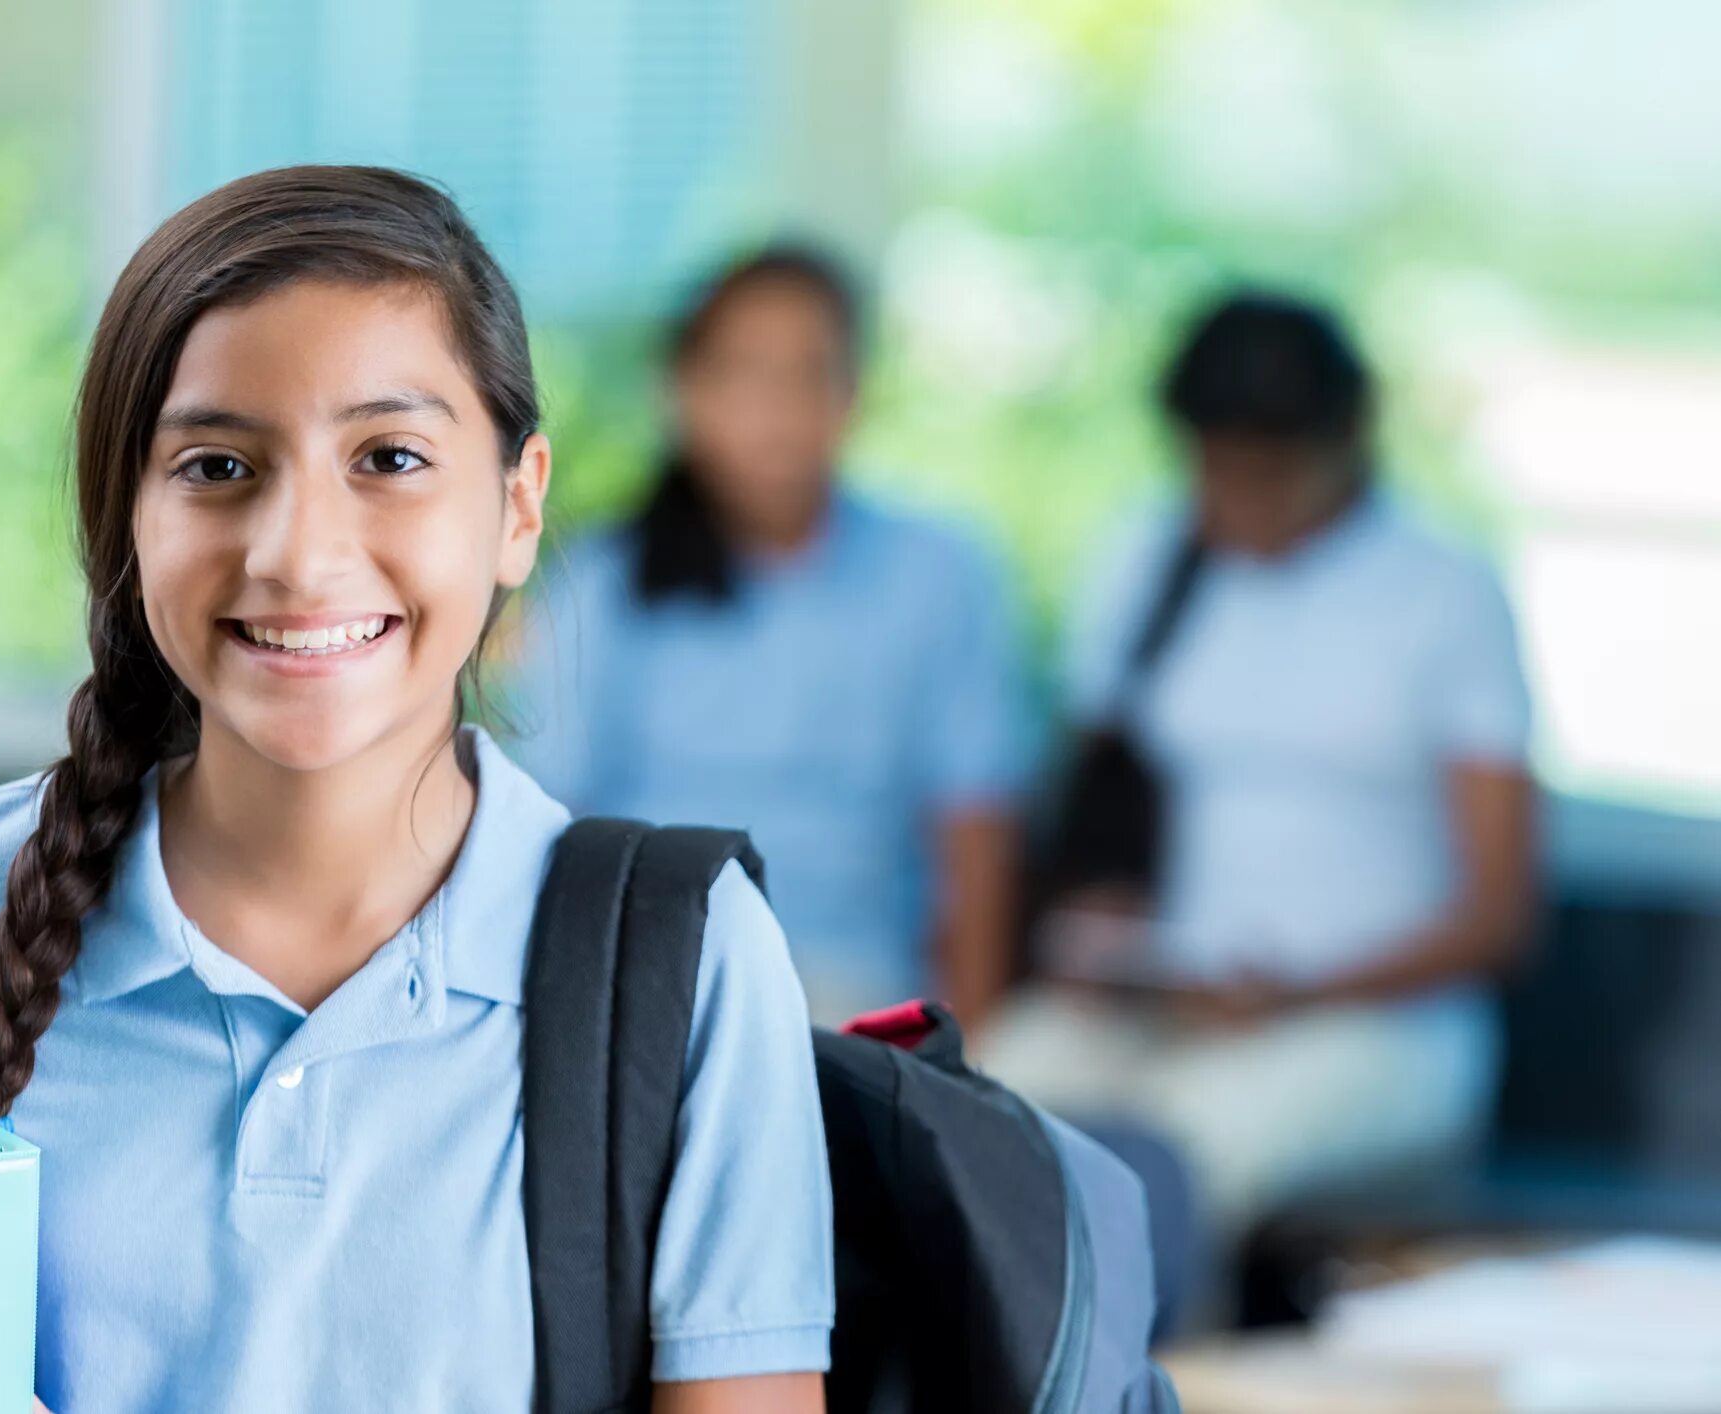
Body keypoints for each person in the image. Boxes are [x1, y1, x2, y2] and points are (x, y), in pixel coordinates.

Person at [0, 167, 833, 1413]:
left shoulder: (683, 968)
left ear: (518, 505)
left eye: (389, 455)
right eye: (216, 467)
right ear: (128, 520)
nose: (297, 554)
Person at [979, 289, 1536, 1236]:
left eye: (1271, 473)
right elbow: (1090, 802)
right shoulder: (1145, 556)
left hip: (1369, 1029)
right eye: (1217, 471)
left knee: (1176, 1155)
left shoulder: (1441, 589)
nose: (1242, 503)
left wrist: (1297, 992)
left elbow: (1497, 916)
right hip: (1158, 1005)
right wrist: (1102, 923)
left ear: (1350, 436)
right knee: (974, 1101)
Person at [512, 247, 1032, 1031]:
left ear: (855, 393)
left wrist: (971, 1057)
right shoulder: (600, 581)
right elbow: (549, 823)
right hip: (652, 977)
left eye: (809, 373)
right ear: (684, 391)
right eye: (747, 373)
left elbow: (975, 831)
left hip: (858, 991)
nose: (779, 408)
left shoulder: (939, 573)